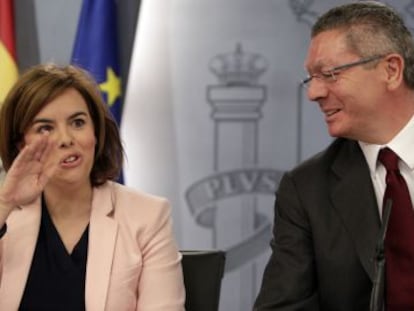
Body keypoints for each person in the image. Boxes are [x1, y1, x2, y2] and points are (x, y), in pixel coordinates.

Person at [254, 1, 414, 310]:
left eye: (329, 74)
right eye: (311, 78)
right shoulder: (306, 188)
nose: (313, 93)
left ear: (391, 70)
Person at [0, 63, 185, 310]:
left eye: (77, 123)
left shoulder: (148, 217)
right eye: (45, 128)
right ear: (21, 144)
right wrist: (4, 205)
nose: (66, 139)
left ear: (96, 132)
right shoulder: (6, 217)